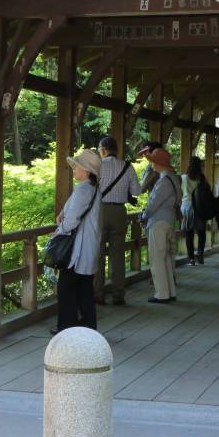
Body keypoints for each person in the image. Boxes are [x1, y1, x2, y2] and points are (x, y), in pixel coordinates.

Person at [52, 149, 103, 333]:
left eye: (77, 166)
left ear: (87, 171)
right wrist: (63, 214)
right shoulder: (94, 189)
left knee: (66, 289)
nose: (74, 168)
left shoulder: (83, 189)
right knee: (85, 290)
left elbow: (72, 220)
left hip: (77, 250)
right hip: (89, 247)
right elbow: (72, 211)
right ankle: (88, 327)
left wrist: (59, 232)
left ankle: (66, 329)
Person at [94, 136, 141, 306]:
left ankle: (98, 295)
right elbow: (137, 191)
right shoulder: (127, 167)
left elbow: (90, 190)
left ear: (103, 149)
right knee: (118, 255)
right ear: (116, 149)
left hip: (100, 211)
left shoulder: (98, 166)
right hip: (120, 212)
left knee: (98, 254)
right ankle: (118, 295)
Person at [141, 147, 180, 303]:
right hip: (169, 220)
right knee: (166, 258)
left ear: (158, 163)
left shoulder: (163, 181)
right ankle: (170, 291)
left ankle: (162, 294)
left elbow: (153, 204)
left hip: (158, 221)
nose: (151, 164)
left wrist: (144, 215)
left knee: (157, 258)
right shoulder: (173, 178)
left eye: (152, 162)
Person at [181, 156, 210, 265]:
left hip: (187, 206)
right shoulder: (202, 178)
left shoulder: (183, 178)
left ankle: (191, 259)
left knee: (189, 233)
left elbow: (179, 192)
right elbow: (208, 191)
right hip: (199, 207)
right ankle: (200, 256)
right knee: (201, 232)